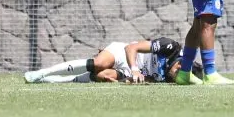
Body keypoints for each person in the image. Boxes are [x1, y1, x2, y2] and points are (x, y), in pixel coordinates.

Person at [25, 38, 201, 84]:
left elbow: (150, 78)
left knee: (103, 75)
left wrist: (135, 80)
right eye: (180, 68)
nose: (177, 72)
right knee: (99, 63)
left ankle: (51, 80)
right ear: (181, 61)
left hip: (128, 72)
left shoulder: (174, 80)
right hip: (123, 54)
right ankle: (43, 72)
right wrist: (134, 69)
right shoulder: (170, 47)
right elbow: (131, 48)